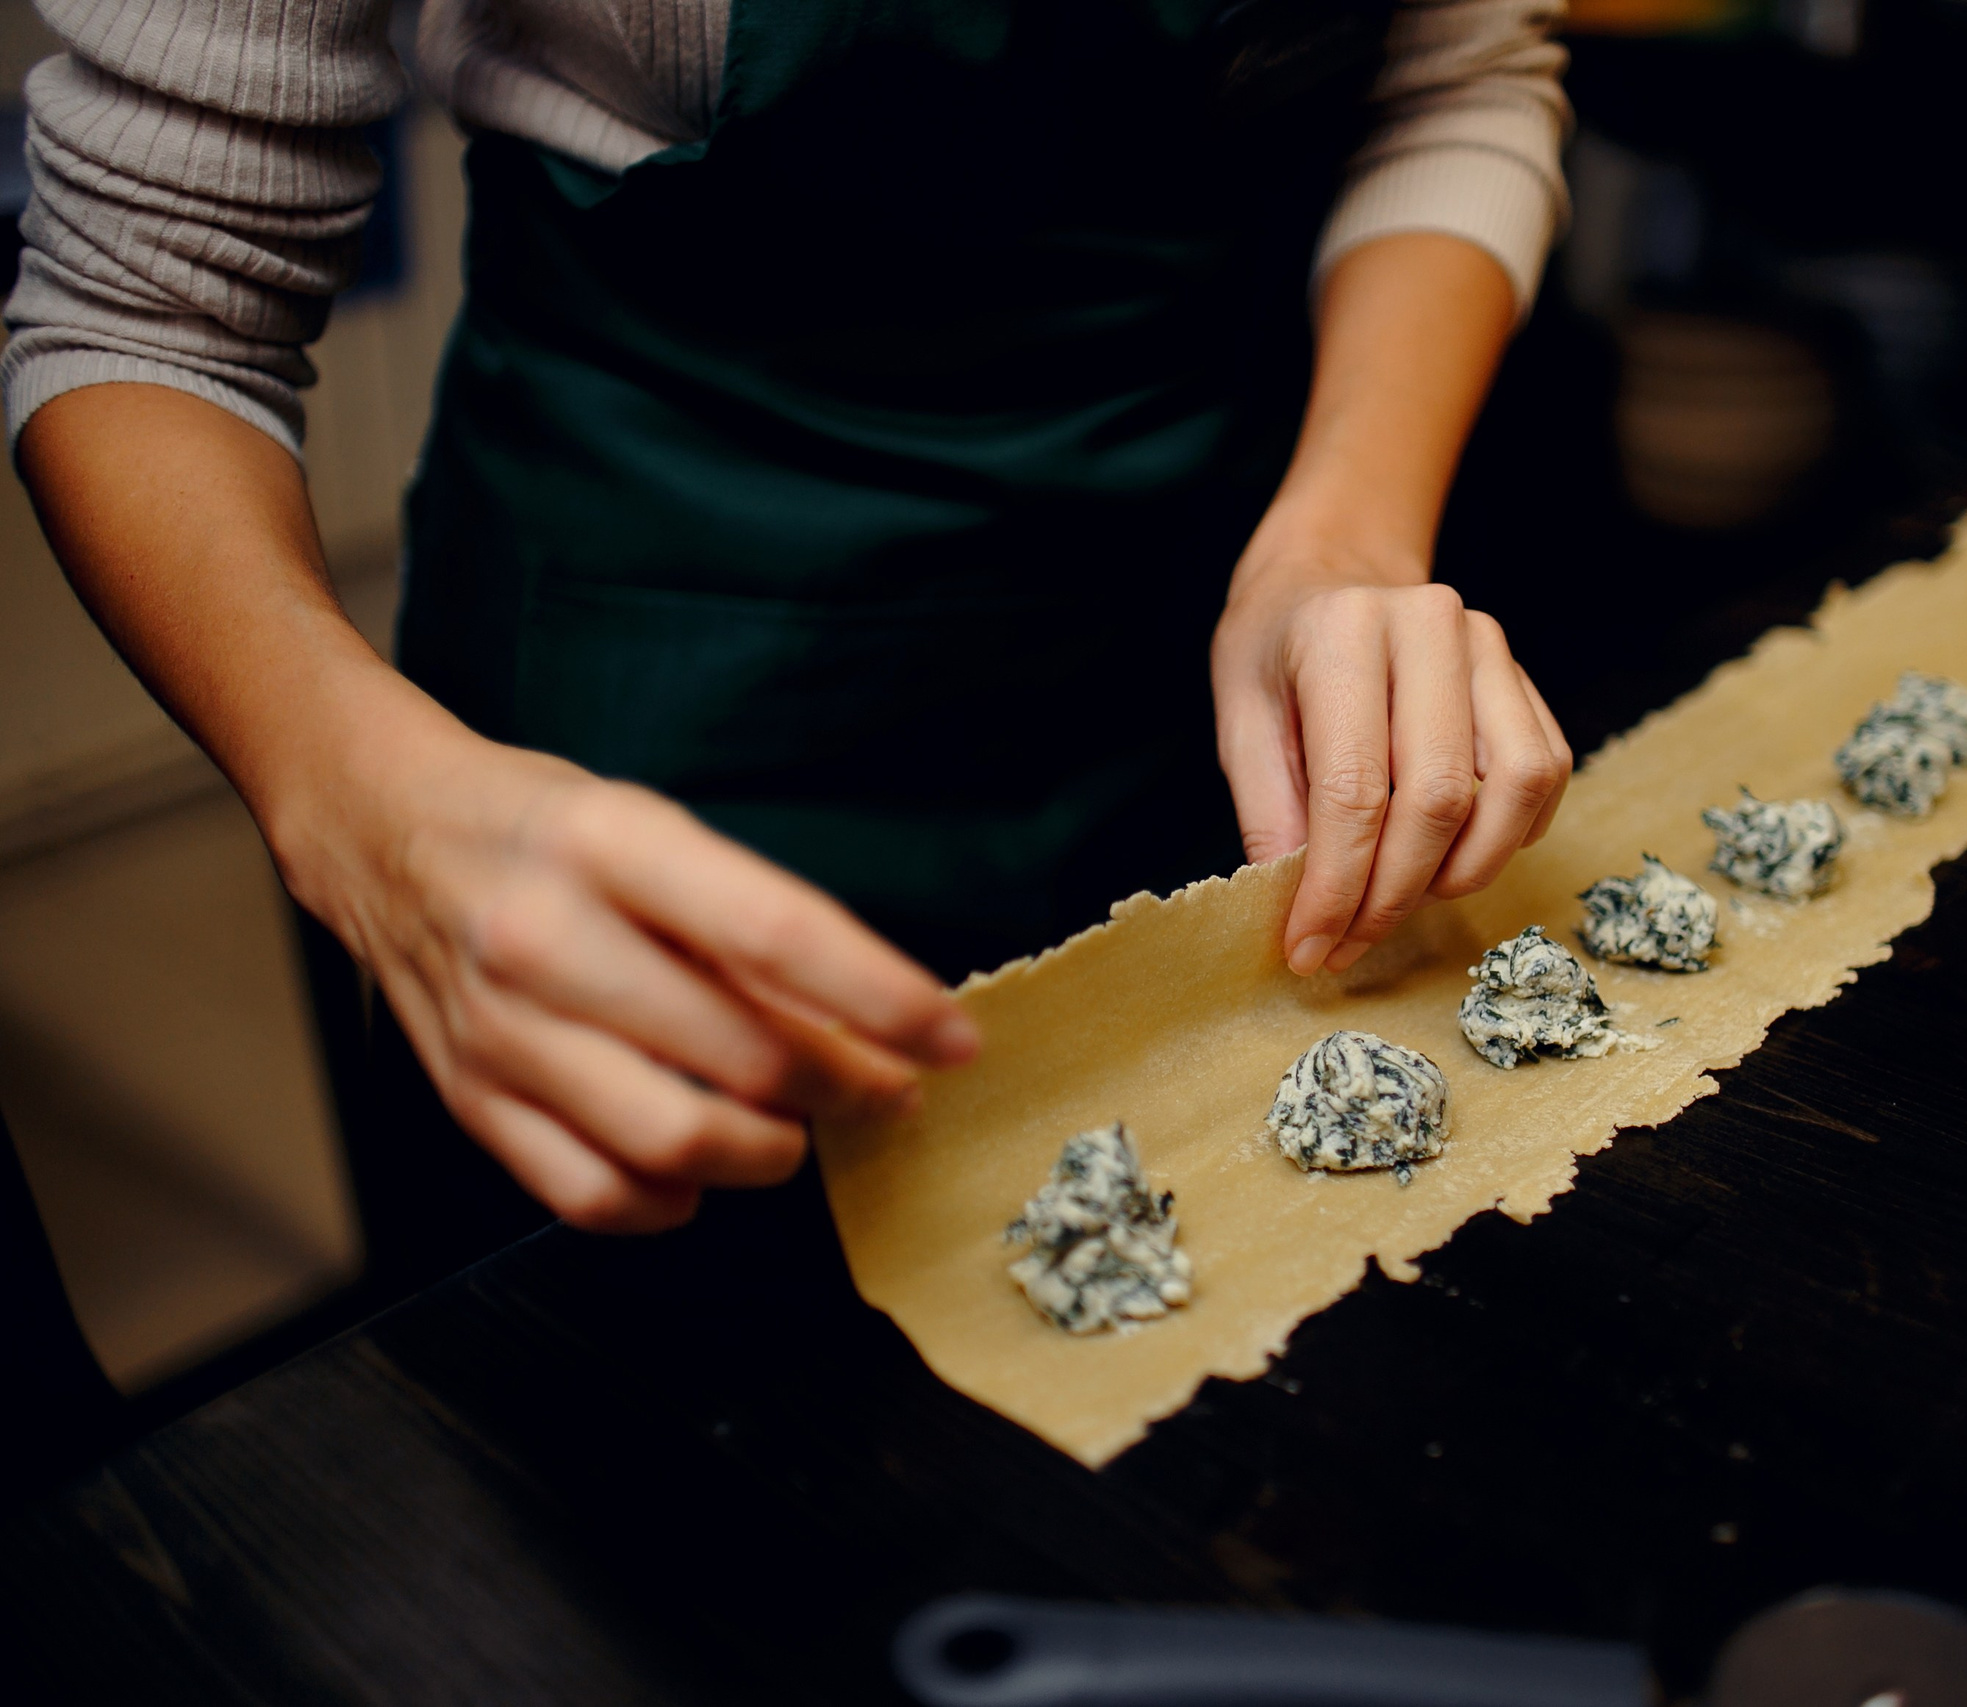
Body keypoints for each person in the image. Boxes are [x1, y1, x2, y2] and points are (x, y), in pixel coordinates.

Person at [7, 0, 1574, 1242]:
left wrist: (1344, 530)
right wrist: (358, 807)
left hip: (1205, 675)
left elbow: (1453, 86)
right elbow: (145, 309)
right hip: (656, 679)